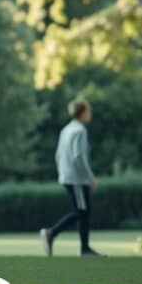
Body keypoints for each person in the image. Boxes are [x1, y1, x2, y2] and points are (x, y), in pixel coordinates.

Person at [40, 98, 104, 257]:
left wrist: (61, 173)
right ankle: (51, 233)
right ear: (82, 112)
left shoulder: (66, 129)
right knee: (81, 211)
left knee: (83, 211)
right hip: (77, 179)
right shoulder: (80, 130)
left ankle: (85, 249)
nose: (90, 114)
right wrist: (89, 177)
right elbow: (78, 157)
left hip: (68, 176)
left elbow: (58, 155)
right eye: (88, 111)